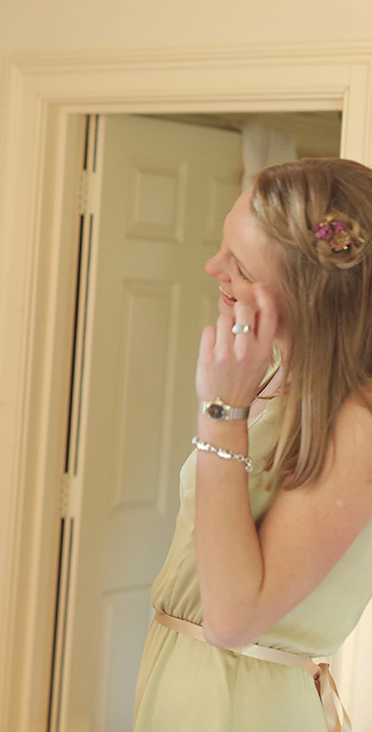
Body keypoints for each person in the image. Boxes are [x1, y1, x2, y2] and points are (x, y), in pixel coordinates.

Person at [133, 158, 372, 732]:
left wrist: (222, 412)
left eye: (237, 265)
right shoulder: (275, 377)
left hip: (238, 702)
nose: (213, 267)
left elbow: (234, 618)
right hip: (186, 683)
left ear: (306, 287)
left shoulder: (356, 425)